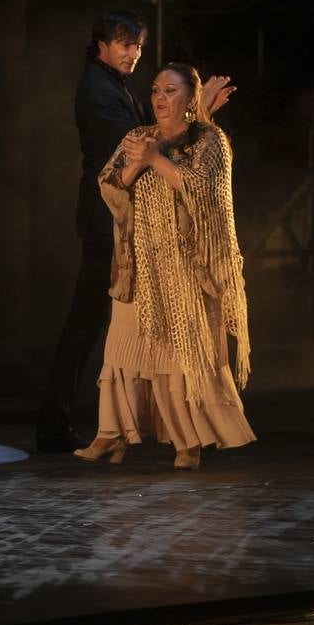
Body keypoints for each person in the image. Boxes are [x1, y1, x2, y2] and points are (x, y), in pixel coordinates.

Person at [37, 11, 233, 453]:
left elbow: (155, 137)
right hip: (109, 221)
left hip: (130, 221)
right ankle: (63, 423)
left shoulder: (112, 85)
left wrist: (193, 113)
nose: (133, 54)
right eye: (125, 45)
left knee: (116, 325)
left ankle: (132, 426)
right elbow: (139, 145)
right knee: (92, 323)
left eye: (139, 47)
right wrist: (197, 112)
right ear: (102, 45)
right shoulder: (96, 89)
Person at [75, 63, 255, 469]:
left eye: (170, 90)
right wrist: (139, 161)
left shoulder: (210, 140)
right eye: (155, 89)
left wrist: (156, 158)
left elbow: (202, 189)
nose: (159, 97)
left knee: (179, 356)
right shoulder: (138, 136)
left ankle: (187, 443)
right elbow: (108, 183)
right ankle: (110, 434)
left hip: (185, 271)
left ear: (190, 100)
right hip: (138, 265)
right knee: (121, 348)